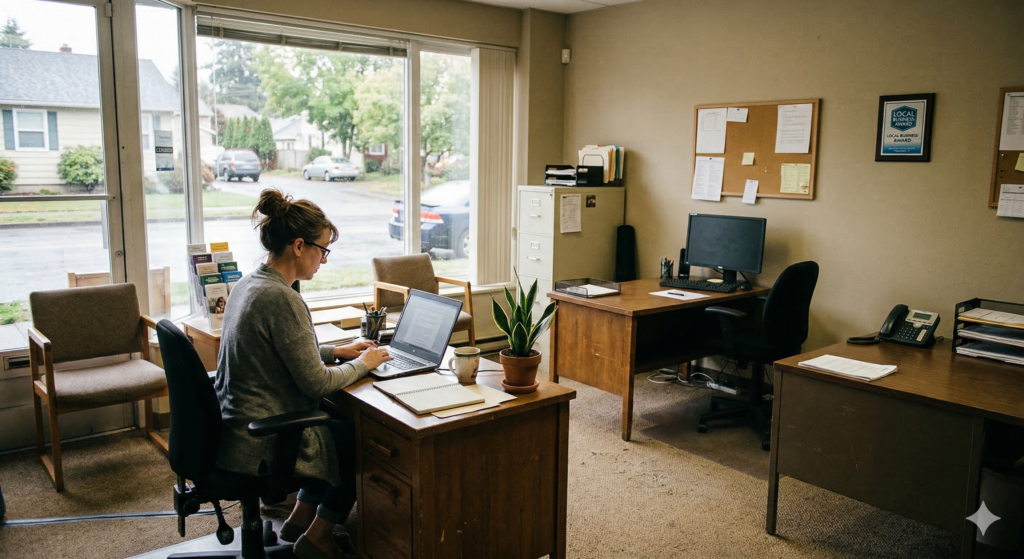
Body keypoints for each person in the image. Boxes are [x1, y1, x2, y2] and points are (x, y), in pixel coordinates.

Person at [215, 188, 391, 559]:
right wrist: (365, 364)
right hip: (259, 438)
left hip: (235, 423)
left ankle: (299, 519)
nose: (324, 261)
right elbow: (317, 382)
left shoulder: (252, 284)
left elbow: (274, 351)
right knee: (353, 438)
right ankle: (318, 536)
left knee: (337, 423)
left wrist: (337, 351)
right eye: (322, 250)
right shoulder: (282, 298)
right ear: (299, 246)